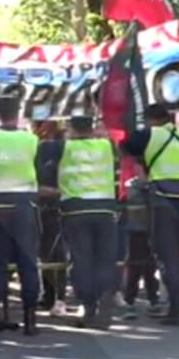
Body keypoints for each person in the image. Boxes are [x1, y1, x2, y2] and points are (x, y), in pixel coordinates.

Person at [123, 103, 179, 325]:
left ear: (152, 119)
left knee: (168, 256)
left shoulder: (150, 134)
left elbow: (126, 146)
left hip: (164, 198)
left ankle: (176, 310)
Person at [40, 114, 119, 328]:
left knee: (81, 260)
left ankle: (88, 306)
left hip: (76, 210)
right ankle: (104, 299)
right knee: (104, 259)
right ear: (92, 127)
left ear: (71, 128)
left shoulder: (62, 147)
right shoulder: (106, 145)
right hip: (105, 209)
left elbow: (41, 150)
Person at [0, 98, 42, 336]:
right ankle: (30, 321)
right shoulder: (31, 139)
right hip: (24, 201)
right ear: (19, 113)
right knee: (27, 261)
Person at [35, 118, 70, 313]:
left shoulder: (63, 147)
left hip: (61, 204)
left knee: (59, 253)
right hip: (44, 206)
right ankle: (49, 295)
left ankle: (60, 297)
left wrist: (57, 191)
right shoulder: (38, 147)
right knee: (47, 252)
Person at [121, 175, 162, 320]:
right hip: (143, 229)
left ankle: (133, 302)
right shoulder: (140, 184)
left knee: (139, 265)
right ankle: (147, 300)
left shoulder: (133, 184)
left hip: (138, 229)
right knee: (143, 265)